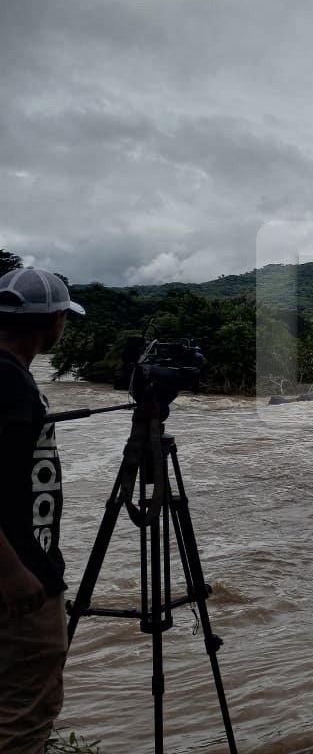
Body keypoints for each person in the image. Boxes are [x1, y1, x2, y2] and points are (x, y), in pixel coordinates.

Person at [0, 268, 84, 753]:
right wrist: (13, 572)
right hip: (18, 583)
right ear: (54, 321)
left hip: (21, 572)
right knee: (24, 718)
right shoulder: (5, 381)